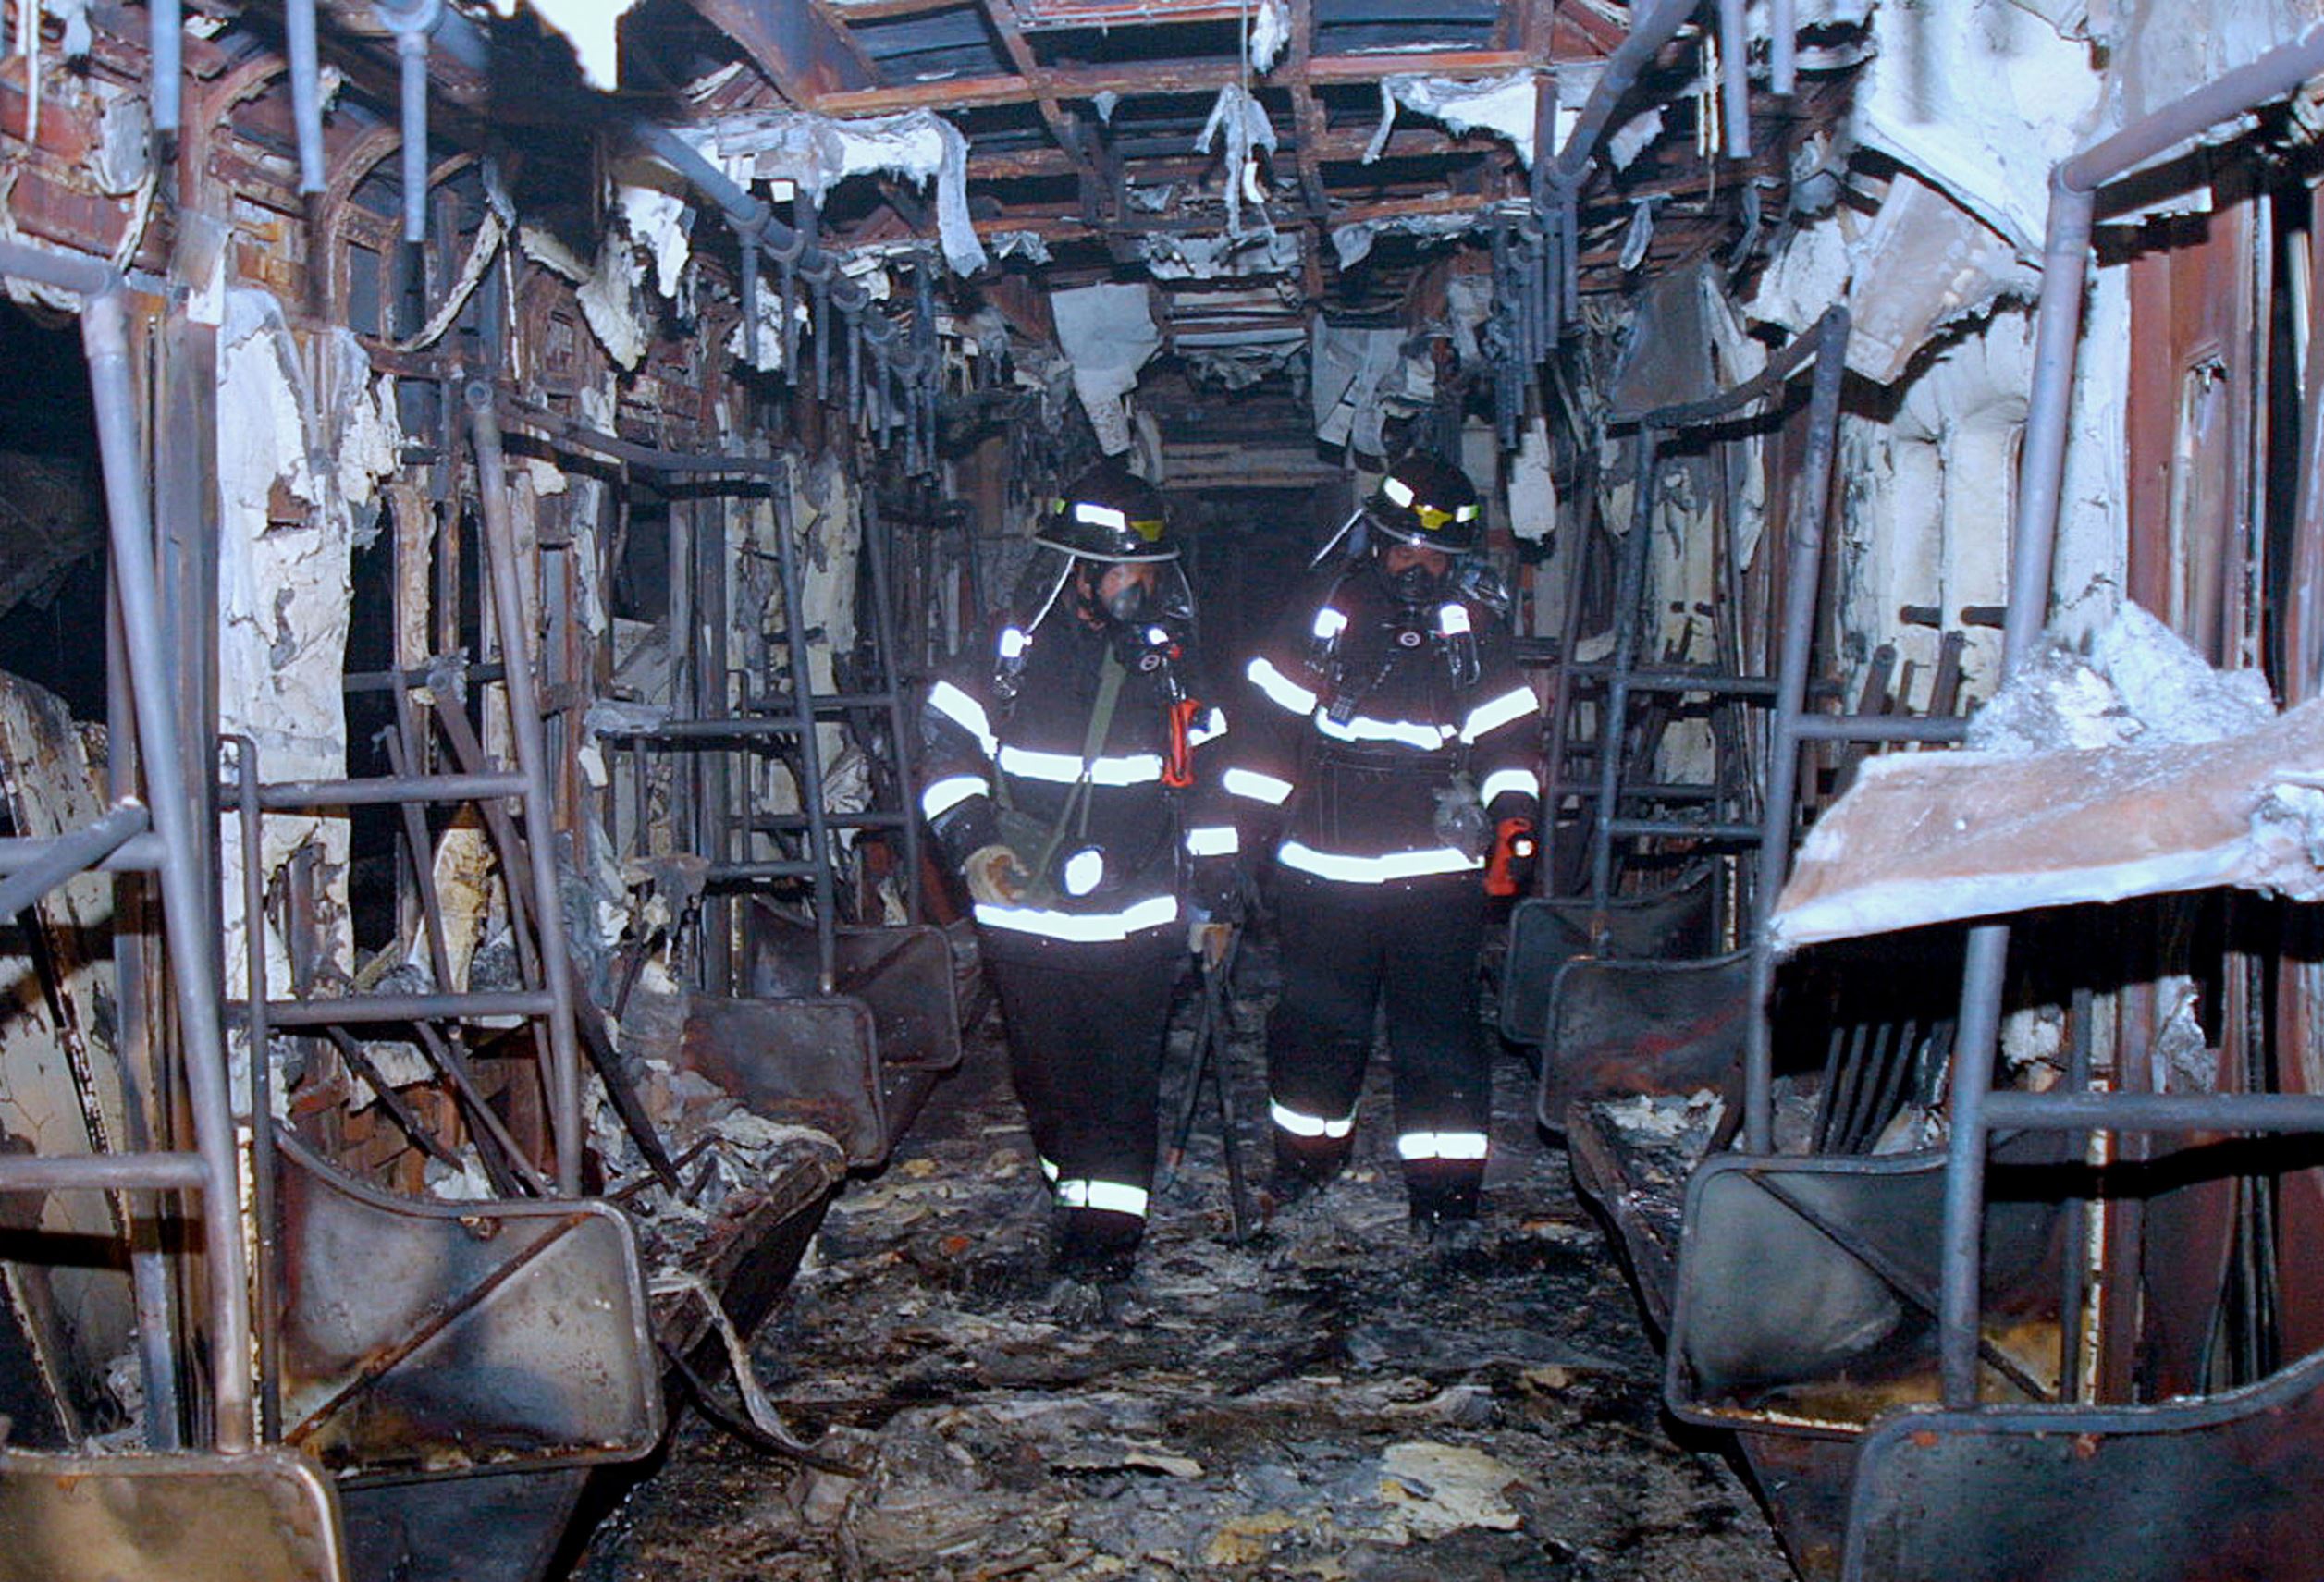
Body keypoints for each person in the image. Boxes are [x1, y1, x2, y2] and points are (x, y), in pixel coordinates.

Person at [918, 462, 1237, 1282]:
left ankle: (1103, 1248)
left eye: (1150, 570)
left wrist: (1217, 896)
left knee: (1121, 1079)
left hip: (1136, 919)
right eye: (1125, 569)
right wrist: (974, 842)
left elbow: (1209, 788)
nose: (1141, 586)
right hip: (1025, 917)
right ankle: (1076, 1196)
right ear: (1079, 571)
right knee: (1046, 1076)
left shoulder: (1172, 662)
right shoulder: (1006, 652)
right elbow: (944, 753)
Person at [1224, 450, 1541, 1236]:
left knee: (1438, 1035)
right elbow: (1267, 737)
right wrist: (1239, 848)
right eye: (1406, 549)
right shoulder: (1323, 611)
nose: (1419, 568)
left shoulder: (1474, 628)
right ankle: (1305, 1168)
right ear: (1376, 540)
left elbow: (1508, 737)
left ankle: (1444, 1200)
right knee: (1315, 1030)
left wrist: (1512, 822)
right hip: (1324, 870)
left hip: (1435, 875)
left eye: (1437, 555)